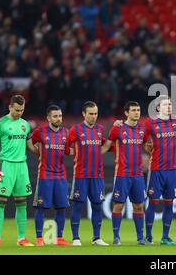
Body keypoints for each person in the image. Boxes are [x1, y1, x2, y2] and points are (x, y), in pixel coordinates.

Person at [0, 95, 37, 247]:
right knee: (1, 201)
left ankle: (21, 238)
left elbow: (30, 146)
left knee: (21, 203)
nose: (19, 113)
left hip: (21, 166)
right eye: (17, 110)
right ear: (10, 107)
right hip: (6, 165)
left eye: (22, 110)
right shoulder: (0, 124)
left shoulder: (25, 125)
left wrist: (44, 151)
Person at [143, 96, 176, 245]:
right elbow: (142, 139)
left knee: (169, 203)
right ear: (158, 108)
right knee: (153, 202)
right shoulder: (150, 123)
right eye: (166, 104)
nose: (169, 107)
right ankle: (149, 236)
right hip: (156, 169)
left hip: (172, 170)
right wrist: (148, 148)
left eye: (170, 104)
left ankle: (165, 237)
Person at [105, 101, 149, 245]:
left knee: (138, 206)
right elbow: (106, 146)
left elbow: (144, 147)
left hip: (137, 174)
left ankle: (140, 238)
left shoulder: (142, 129)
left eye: (138, 109)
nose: (137, 112)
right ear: (126, 113)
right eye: (133, 110)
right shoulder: (117, 129)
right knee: (119, 205)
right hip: (122, 173)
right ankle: (116, 237)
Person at [67, 101, 110, 246]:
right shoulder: (75, 129)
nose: (93, 116)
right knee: (78, 205)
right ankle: (75, 238)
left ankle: (96, 238)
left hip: (97, 175)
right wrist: (74, 155)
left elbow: (104, 145)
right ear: (84, 114)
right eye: (91, 114)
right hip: (81, 174)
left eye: (96, 113)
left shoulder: (99, 129)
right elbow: (65, 146)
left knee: (97, 206)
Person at [31, 105, 72, 246]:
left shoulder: (66, 132)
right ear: (48, 118)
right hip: (45, 174)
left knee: (61, 207)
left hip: (61, 175)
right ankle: (38, 238)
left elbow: (67, 151)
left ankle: (59, 238)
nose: (58, 119)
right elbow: (29, 143)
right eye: (55, 116)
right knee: (41, 207)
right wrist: (38, 152)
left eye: (60, 116)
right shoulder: (40, 132)